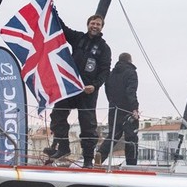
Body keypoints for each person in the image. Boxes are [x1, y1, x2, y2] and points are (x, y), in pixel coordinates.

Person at [44, 13, 111, 168]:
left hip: (89, 90)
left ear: (102, 27)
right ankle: (63, 147)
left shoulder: (104, 48)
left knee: (88, 124)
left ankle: (88, 159)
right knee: (57, 114)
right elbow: (63, 30)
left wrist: (95, 86)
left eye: (98, 24)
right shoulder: (79, 38)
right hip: (72, 86)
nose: (95, 26)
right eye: (92, 23)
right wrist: (54, 12)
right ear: (88, 24)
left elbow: (105, 70)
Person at [97, 52, 140, 166]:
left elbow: (108, 91)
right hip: (127, 110)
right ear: (130, 61)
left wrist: (112, 103)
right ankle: (131, 164)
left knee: (113, 135)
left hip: (114, 109)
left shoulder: (110, 74)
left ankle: (100, 155)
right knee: (131, 138)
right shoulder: (131, 73)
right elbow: (131, 92)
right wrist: (134, 108)